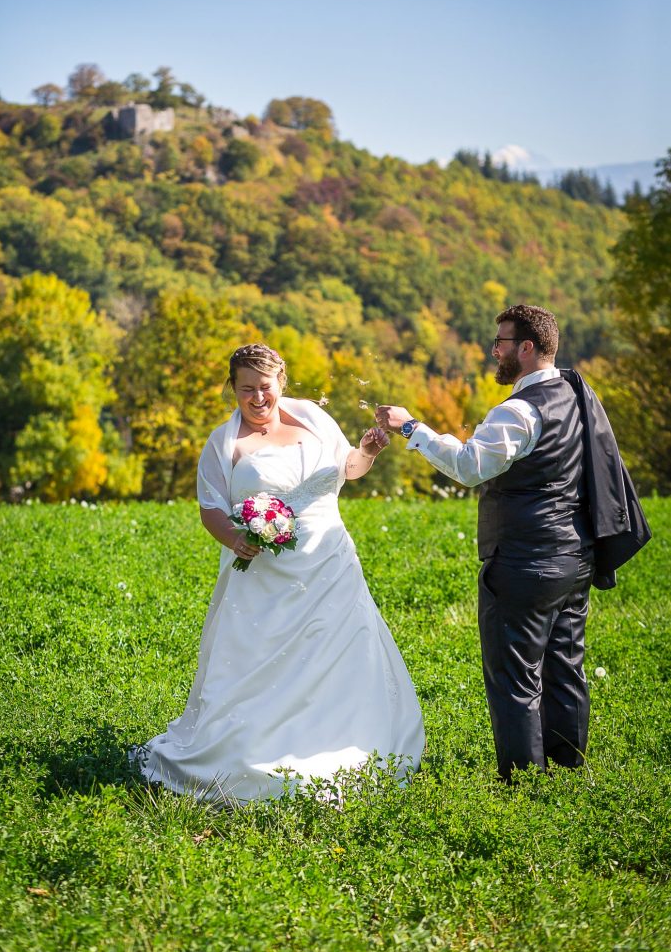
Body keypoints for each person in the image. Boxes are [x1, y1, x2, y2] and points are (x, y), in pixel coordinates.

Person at [132, 343, 424, 802]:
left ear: (281, 382)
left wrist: (367, 451)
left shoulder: (312, 418)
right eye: (245, 389)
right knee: (257, 665)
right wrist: (235, 540)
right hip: (262, 576)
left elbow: (346, 469)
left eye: (264, 387)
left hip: (329, 564)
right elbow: (210, 509)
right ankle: (248, 749)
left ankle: (342, 737)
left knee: (341, 652)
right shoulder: (223, 443)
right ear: (232, 388)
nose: (256, 398)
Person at [376, 304, 607, 782]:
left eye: (501, 342)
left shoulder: (518, 411)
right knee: (566, 670)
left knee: (515, 680)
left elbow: (468, 466)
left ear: (526, 348)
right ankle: (568, 777)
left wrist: (410, 428)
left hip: (526, 560)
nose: (494, 351)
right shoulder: (574, 394)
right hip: (576, 556)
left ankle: (523, 790)